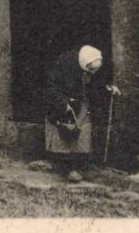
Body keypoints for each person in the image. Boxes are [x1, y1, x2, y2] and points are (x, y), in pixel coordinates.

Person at [44, 44, 118, 180]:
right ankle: (67, 168)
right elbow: (51, 87)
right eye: (91, 69)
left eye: (96, 70)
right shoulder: (65, 64)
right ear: (85, 64)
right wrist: (63, 104)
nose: (94, 72)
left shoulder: (90, 67)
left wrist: (108, 88)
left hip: (80, 104)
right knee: (66, 133)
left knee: (83, 130)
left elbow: (95, 84)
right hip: (62, 104)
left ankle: (81, 165)